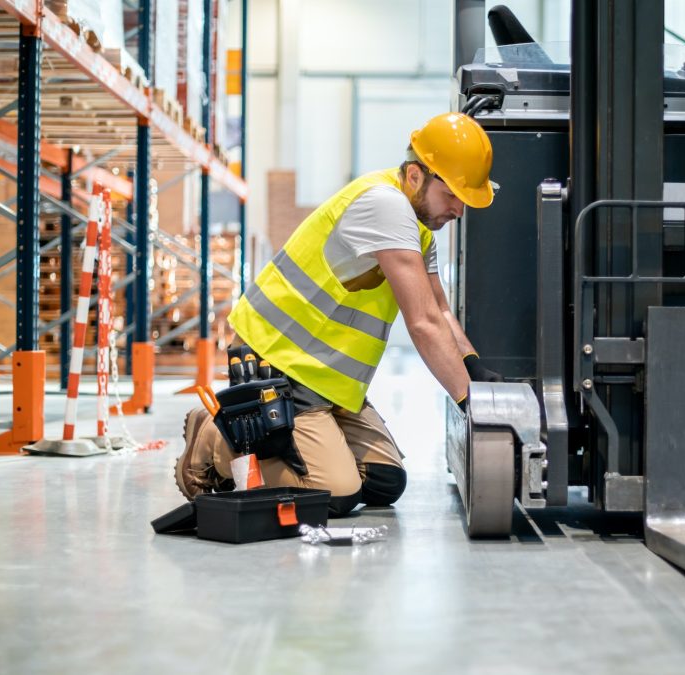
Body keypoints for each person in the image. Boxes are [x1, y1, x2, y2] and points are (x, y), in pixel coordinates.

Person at [174, 112, 503, 516]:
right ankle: (213, 439)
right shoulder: (386, 206)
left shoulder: (418, 230)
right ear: (416, 175)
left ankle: (295, 441)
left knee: (384, 480)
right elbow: (423, 323)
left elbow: (440, 310)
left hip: (329, 382)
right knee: (337, 492)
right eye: (452, 194)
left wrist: (473, 369)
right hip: (280, 362)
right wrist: (468, 401)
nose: (459, 209)